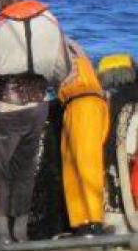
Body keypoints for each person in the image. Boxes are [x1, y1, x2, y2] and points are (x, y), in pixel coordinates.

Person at [0, 0, 70, 245]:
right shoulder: (51, 23)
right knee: (25, 170)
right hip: (37, 107)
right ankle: (21, 231)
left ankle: (2, 233)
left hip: (3, 109)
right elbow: (63, 69)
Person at [58, 39, 108, 237]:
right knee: (74, 166)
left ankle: (93, 222)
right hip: (82, 104)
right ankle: (82, 222)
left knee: (86, 167)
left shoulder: (59, 48)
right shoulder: (72, 46)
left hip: (83, 105)